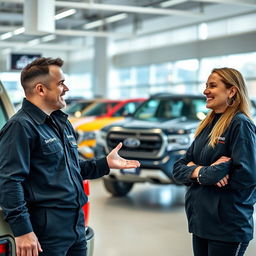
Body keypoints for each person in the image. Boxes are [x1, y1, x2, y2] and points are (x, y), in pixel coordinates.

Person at [0, 57, 140, 256]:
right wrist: (23, 231)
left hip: (75, 224)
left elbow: (71, 169)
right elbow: (10, 181)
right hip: (45, 230)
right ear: (40, 89)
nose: (66, 88)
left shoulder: (62, 123)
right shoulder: (20, 127)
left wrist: (105, 164)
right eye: (60, 83)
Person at [173, 67, 256, 256]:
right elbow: (178, 167)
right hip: (201, 221)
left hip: (227, 226)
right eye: (206, 86)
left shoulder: (240, 124)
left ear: (232, 91)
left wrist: (196, 170)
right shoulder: (207, 125)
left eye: (212, 86)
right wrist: (206, 173)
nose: (205, 91)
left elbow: (247, 176)